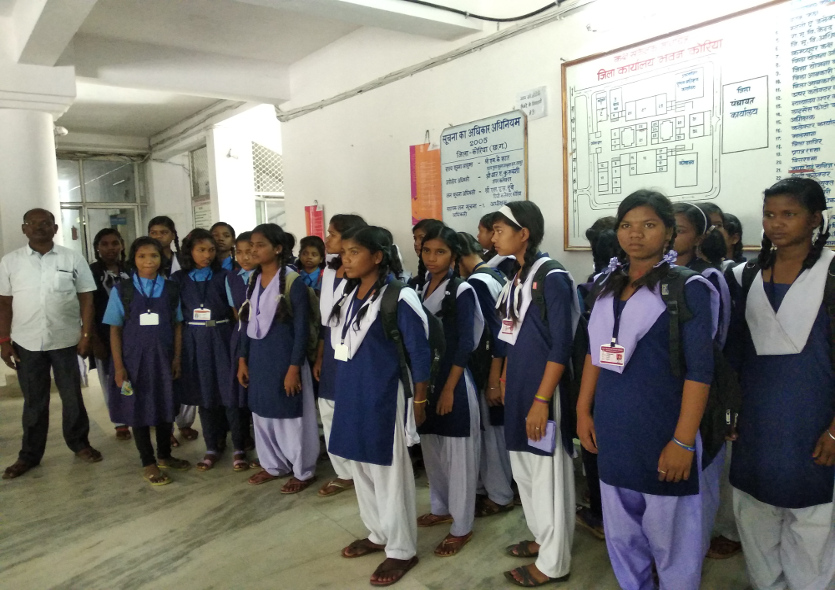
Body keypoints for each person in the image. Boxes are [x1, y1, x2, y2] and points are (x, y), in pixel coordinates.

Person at [577, 190, 717, 590]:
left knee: (672, 542)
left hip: (663, 431)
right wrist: (583, 411)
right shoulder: (606, 286)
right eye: (627, 225)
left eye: (648, 225)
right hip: (613, 430)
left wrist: (683, 441)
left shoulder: (686, 287)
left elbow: (700, 372)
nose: (635, 234)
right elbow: (594, 353)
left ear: (669, 232)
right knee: (623, 537)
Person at [726, 177, 835, 590]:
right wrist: (729, 411)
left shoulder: (831, 274)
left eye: (789, 214)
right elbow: (734, 355)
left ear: (815, 219)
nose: (776, 223)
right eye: (770, 214)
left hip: (812, 421)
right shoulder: (746, 276)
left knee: (812, 522)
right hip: (756, 422)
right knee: (755, 514)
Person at [328, 226, 430, 587]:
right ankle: (378, 532)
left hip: (384, 395)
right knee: (361, 467)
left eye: (354, 252)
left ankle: (402, 549)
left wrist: (420, 400)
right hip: (352, 392)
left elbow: (420, 352)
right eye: (344, 252)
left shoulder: (399, 296)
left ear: (377, 256)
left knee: (389, 474)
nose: (346, 258)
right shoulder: (349, 292)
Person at [493, 202, 579, 587]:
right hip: (519, 386)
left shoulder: (552, 277)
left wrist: (542, 401)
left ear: (523, 233)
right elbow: (511, 334)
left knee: (548, 474)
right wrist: (505, 378)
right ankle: (542, 538)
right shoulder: (517, 276)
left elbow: (562, 345)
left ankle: (554, 562)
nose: (494, 237)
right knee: (525, 470)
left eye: (500, 230)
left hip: (544, 391)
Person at [0, 208, 102, 479]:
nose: (39, 227)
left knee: (72, 396)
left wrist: (86, 335)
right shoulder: (10, 262)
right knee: (34, 402)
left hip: (66, 341)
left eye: (45, 223)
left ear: (55, 228)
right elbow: (4, 304)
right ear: (24, 229)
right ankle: (29, 455)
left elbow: (86, 298)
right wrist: (4, 340)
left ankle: (80, 444)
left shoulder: (72, 258)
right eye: (32, 223)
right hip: (27, 343)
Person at [415, 225, 484, 557]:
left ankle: (462, 526)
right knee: (432, 449)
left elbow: (465, 343)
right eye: (427, 250)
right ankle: (440, 507)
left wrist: (448, 390)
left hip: (452, 380)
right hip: (425, 380)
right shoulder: (417, 287)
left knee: (459, 458)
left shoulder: (462, 290)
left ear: (454, 255)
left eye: (440, 252)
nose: (432, 257)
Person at [103, 237, 191, 485]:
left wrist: (177, 358)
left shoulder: (171, 289)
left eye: (154, 255)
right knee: (138, 409)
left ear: (161, 258)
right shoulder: (123, 290)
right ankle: (148, 461)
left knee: (165, 406)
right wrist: (119, 367)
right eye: (142, 256)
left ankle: (165, 455)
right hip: (134, 362)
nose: (148, 261)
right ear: (134, 259)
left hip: (163, 360)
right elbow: (115, 329)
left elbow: (178, 325)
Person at [238, 224, 318, 493]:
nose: (253, 250)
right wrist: (242, 359)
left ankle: (302, 470)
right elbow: (247, 322)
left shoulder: (294, 282)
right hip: (259, 358)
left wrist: (294, 367)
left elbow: (301, 330)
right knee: (262, 413)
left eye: (259, 245)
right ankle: (273, 465)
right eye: (251, 245)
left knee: (291, 418)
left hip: (285, 359)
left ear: (278, 248)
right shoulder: (253, 279)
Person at [172, 229, 245, 471]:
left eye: (211, 250)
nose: (207, 255)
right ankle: (212, 446)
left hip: (222, 336)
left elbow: (236, 312)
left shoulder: (225, 276)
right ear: (190, 251)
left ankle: (239, 446)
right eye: (201, 250)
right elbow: (177, 317)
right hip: (194, 339)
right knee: (204, 393)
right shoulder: (179, 279)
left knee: (229, 392)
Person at [457, 232, 514, 519]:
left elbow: (497, 332)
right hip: (496, 367)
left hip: (487, 368)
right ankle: (499, 490)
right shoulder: (495, 274)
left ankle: (499, 495)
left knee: (491, 436)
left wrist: (494, 379)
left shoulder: (477, 283)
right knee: (495, 433)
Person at [314, 214, 367, 497]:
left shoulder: (361, 273)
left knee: (353, 409)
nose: (327, 239)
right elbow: (328, 320)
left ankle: (361, 468)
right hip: (333, 350)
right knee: (329, 407)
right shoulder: (329, 271)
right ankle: (344, 471)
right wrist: (321, 356)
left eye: (332, 234)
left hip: (355, 350)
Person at [575, 216, 619, 541]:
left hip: (598, 382)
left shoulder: (595, 287)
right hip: (616, 383)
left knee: (595, 446)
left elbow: (589, 346)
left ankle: (602, 515)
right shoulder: (613, 285)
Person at [149, 215, 197, 445]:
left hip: (185, 324)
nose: (159, 237)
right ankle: (164, 425)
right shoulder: (147, 261)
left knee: (184, 375)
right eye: (154, 233)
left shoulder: (183, 261)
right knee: (161, 379)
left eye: (163, 232)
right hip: (156, 327)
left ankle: (184, 422)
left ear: (173, 235)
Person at [89, 228, 131, 441]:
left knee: (133, 374)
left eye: (115, 243)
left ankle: (137, 413)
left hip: (132, 333)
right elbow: (87, 307)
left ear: (122, 245)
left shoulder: (131, 269)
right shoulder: (91, 272)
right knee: (110, 379)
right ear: (97, 247)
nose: (110, 248)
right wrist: (93, 338)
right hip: (103, 334)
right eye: (104, 244)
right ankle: (120, 421)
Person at [228, 231, 256, 456]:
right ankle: (241, 441)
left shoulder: (269, 275)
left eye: (250, 252)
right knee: (239, 390)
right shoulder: (231, 278)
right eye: (240, 252)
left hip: (262, 339)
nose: (245, 257)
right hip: (241, 337)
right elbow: (236, 313)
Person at [408, 218, 444, 291]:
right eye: (415, 239)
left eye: (421, 238)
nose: (416, 243)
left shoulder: (451, 281)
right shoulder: (415, 281)